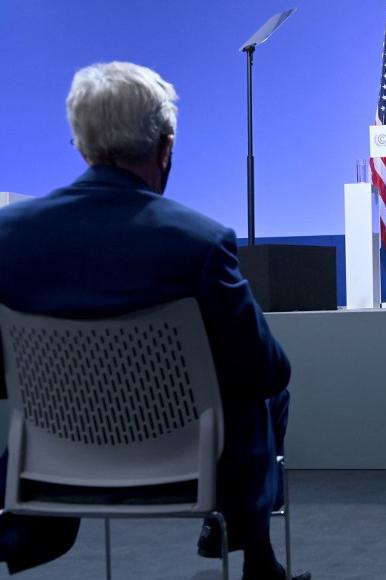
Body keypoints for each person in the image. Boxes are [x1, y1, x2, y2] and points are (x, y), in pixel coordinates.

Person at [0, 62, 309, 580]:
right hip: (186, 469)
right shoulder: (199, 242)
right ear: (166, 147)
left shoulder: (7, 239)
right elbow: (268, 371)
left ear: (80, 145)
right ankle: (254, 553)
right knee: (265, 395)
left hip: (50, 467)